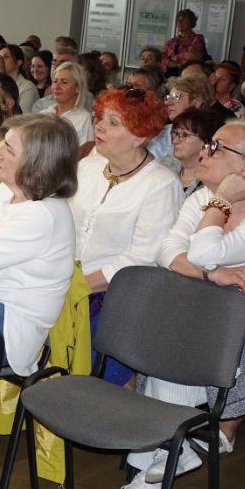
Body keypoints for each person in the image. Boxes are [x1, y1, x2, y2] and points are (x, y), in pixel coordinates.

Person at [100, 120, 245, 489]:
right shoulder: (202, 195)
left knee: (175, 361)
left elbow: (201, 251)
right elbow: (167, 250)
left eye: (218, 147)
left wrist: (217, 212)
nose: (205, 151)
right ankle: (169, 458)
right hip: (221, 325)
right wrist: (212, 275)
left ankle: (157, 474)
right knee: (171, 350)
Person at [70, 87, 182, 387]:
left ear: (140, 135)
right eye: (100, 118)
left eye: (114, 122)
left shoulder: (160, 184)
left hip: (116, 298)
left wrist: (78, 285)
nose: (100, 126)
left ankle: (115, 414)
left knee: (99, 383)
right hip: (68, 285)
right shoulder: (87, 167)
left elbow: (141, 258)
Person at [0, 113, 76, 375]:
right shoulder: (6, 191)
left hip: (10, 326)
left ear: (37, 166)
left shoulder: (42, 215)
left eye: (9, 149)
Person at [170, 107, 226, 196]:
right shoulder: (166, 165)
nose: (175, 141)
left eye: (184, 135)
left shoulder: (213, 182)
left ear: (206, 141)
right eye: (175, 134)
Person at [42, 61, 93, 145]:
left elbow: (85, 153)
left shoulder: (84, 120)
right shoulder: (43, 114)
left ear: (78, 88)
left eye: (64, 82)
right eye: (55, 81)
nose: (57, 87)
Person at [162, 9, 206, 76]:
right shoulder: (171, 41)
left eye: (183, 20)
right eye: (178, 20)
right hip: (169, 76)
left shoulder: (197, 38)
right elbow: (162, 60)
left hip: (189, 75)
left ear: (191, 22)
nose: (180, 22)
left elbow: (191, 57)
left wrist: (172, 58)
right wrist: (178, 64)